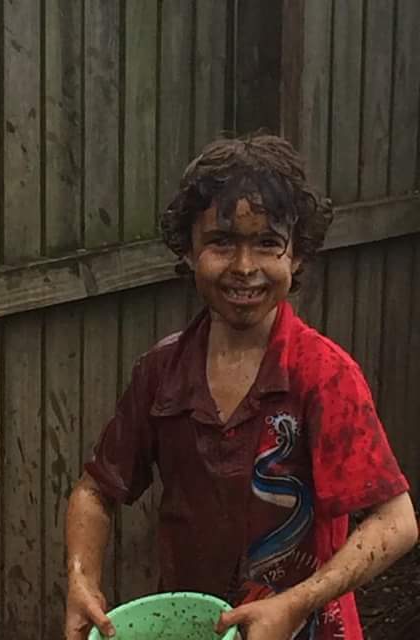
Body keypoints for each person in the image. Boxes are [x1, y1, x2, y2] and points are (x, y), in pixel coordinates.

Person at [65, 133, 418, 640]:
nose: (245, 267)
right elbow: (95, 490)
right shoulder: (161, 373)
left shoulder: (323, 375)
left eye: (268, 243)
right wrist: (82, 582)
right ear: (189, 250)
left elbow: (396, 521)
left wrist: (296, 603)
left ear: (297, 256)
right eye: (222, 242)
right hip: (196, 626)